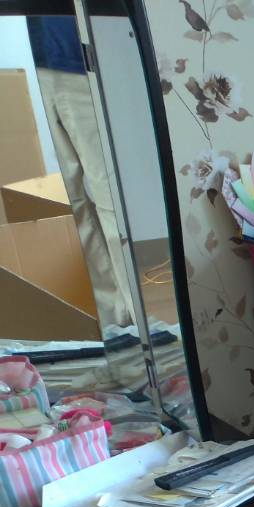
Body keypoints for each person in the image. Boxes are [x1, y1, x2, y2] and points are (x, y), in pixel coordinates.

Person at [26, 15, 133, 329]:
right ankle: (115, 323)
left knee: (111, 198)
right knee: (65, 204)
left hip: (84, 59)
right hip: (25, 57)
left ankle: (142, 319)